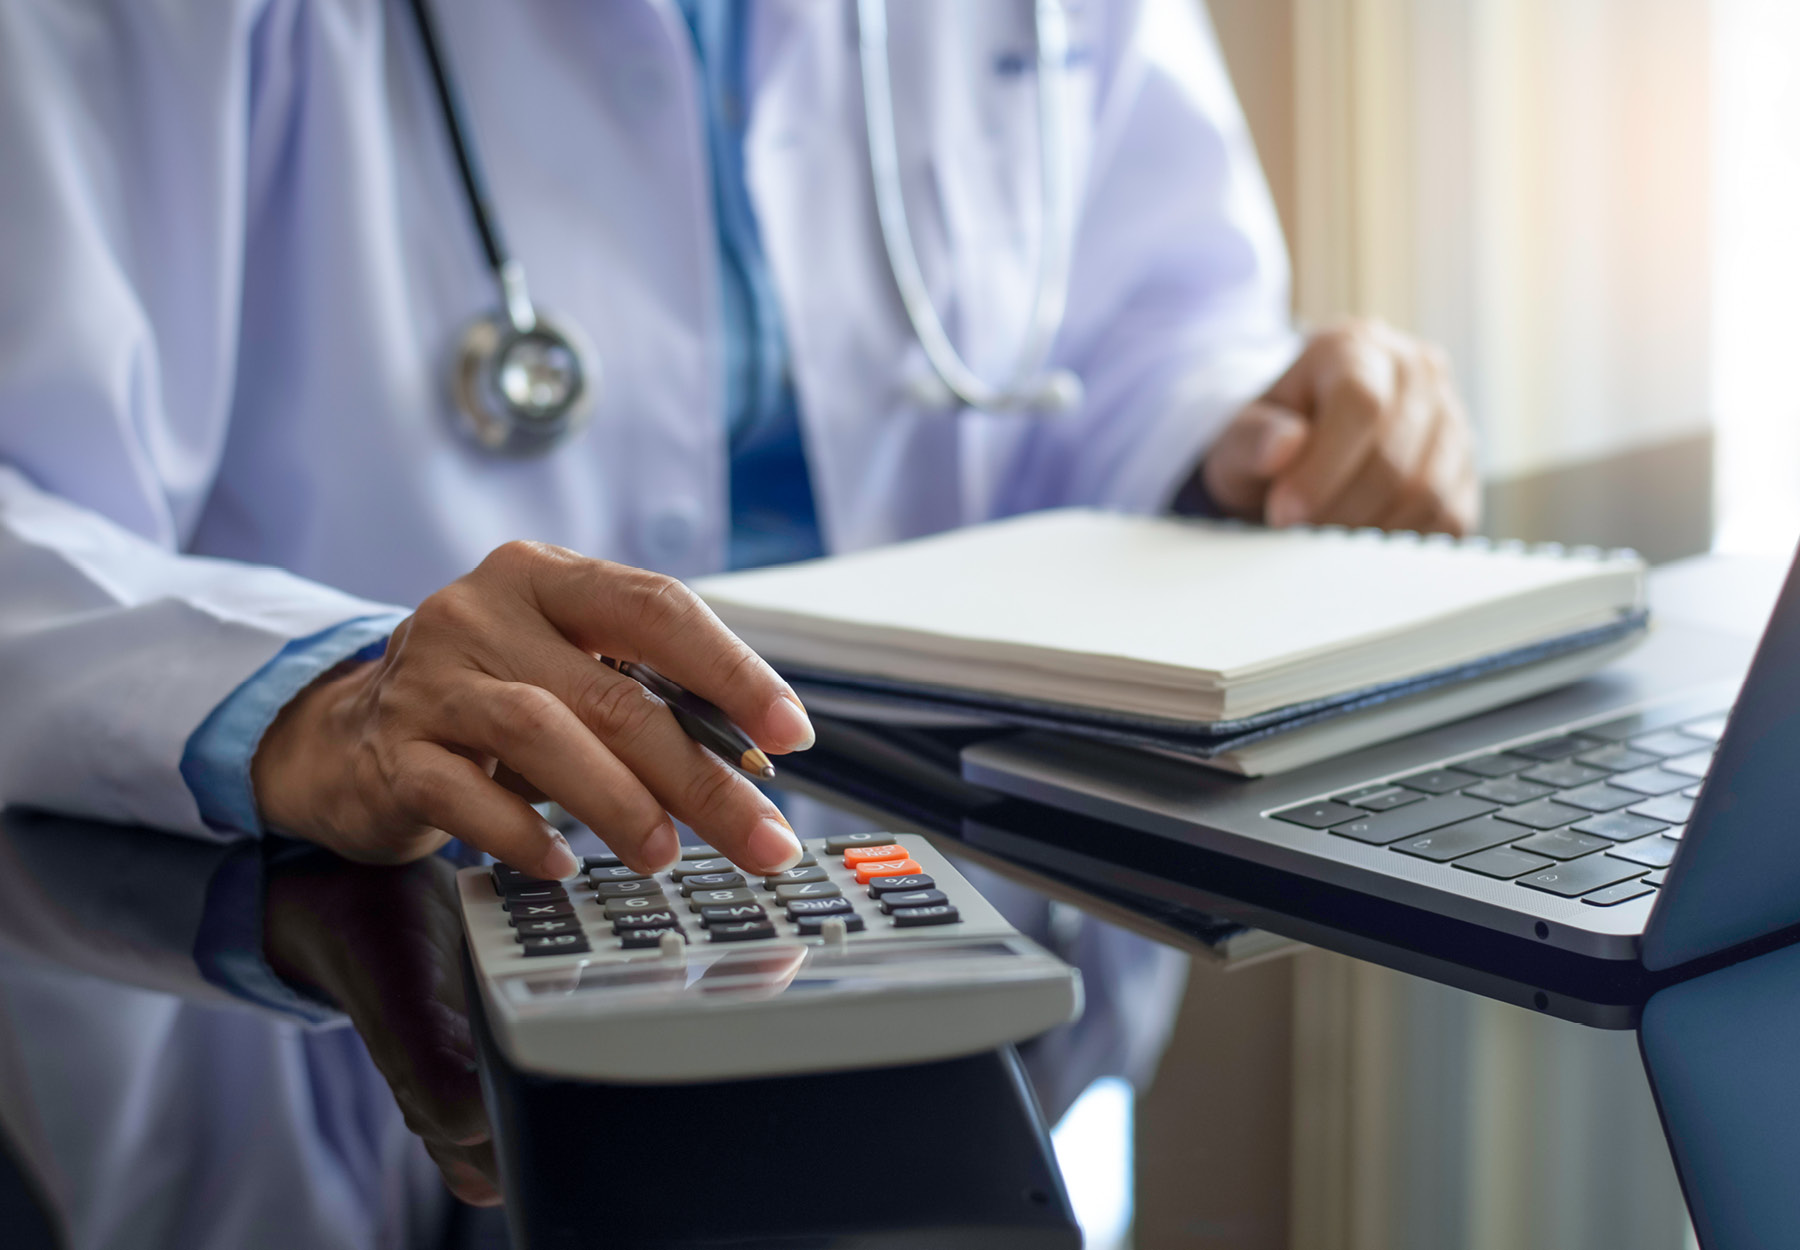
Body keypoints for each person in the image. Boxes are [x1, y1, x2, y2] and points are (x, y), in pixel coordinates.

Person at [0, 0, 1477, 1245]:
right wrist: (326, 693)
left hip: (972, 1003)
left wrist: (1252, 430)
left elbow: (1149, 322)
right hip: (365, 1017)